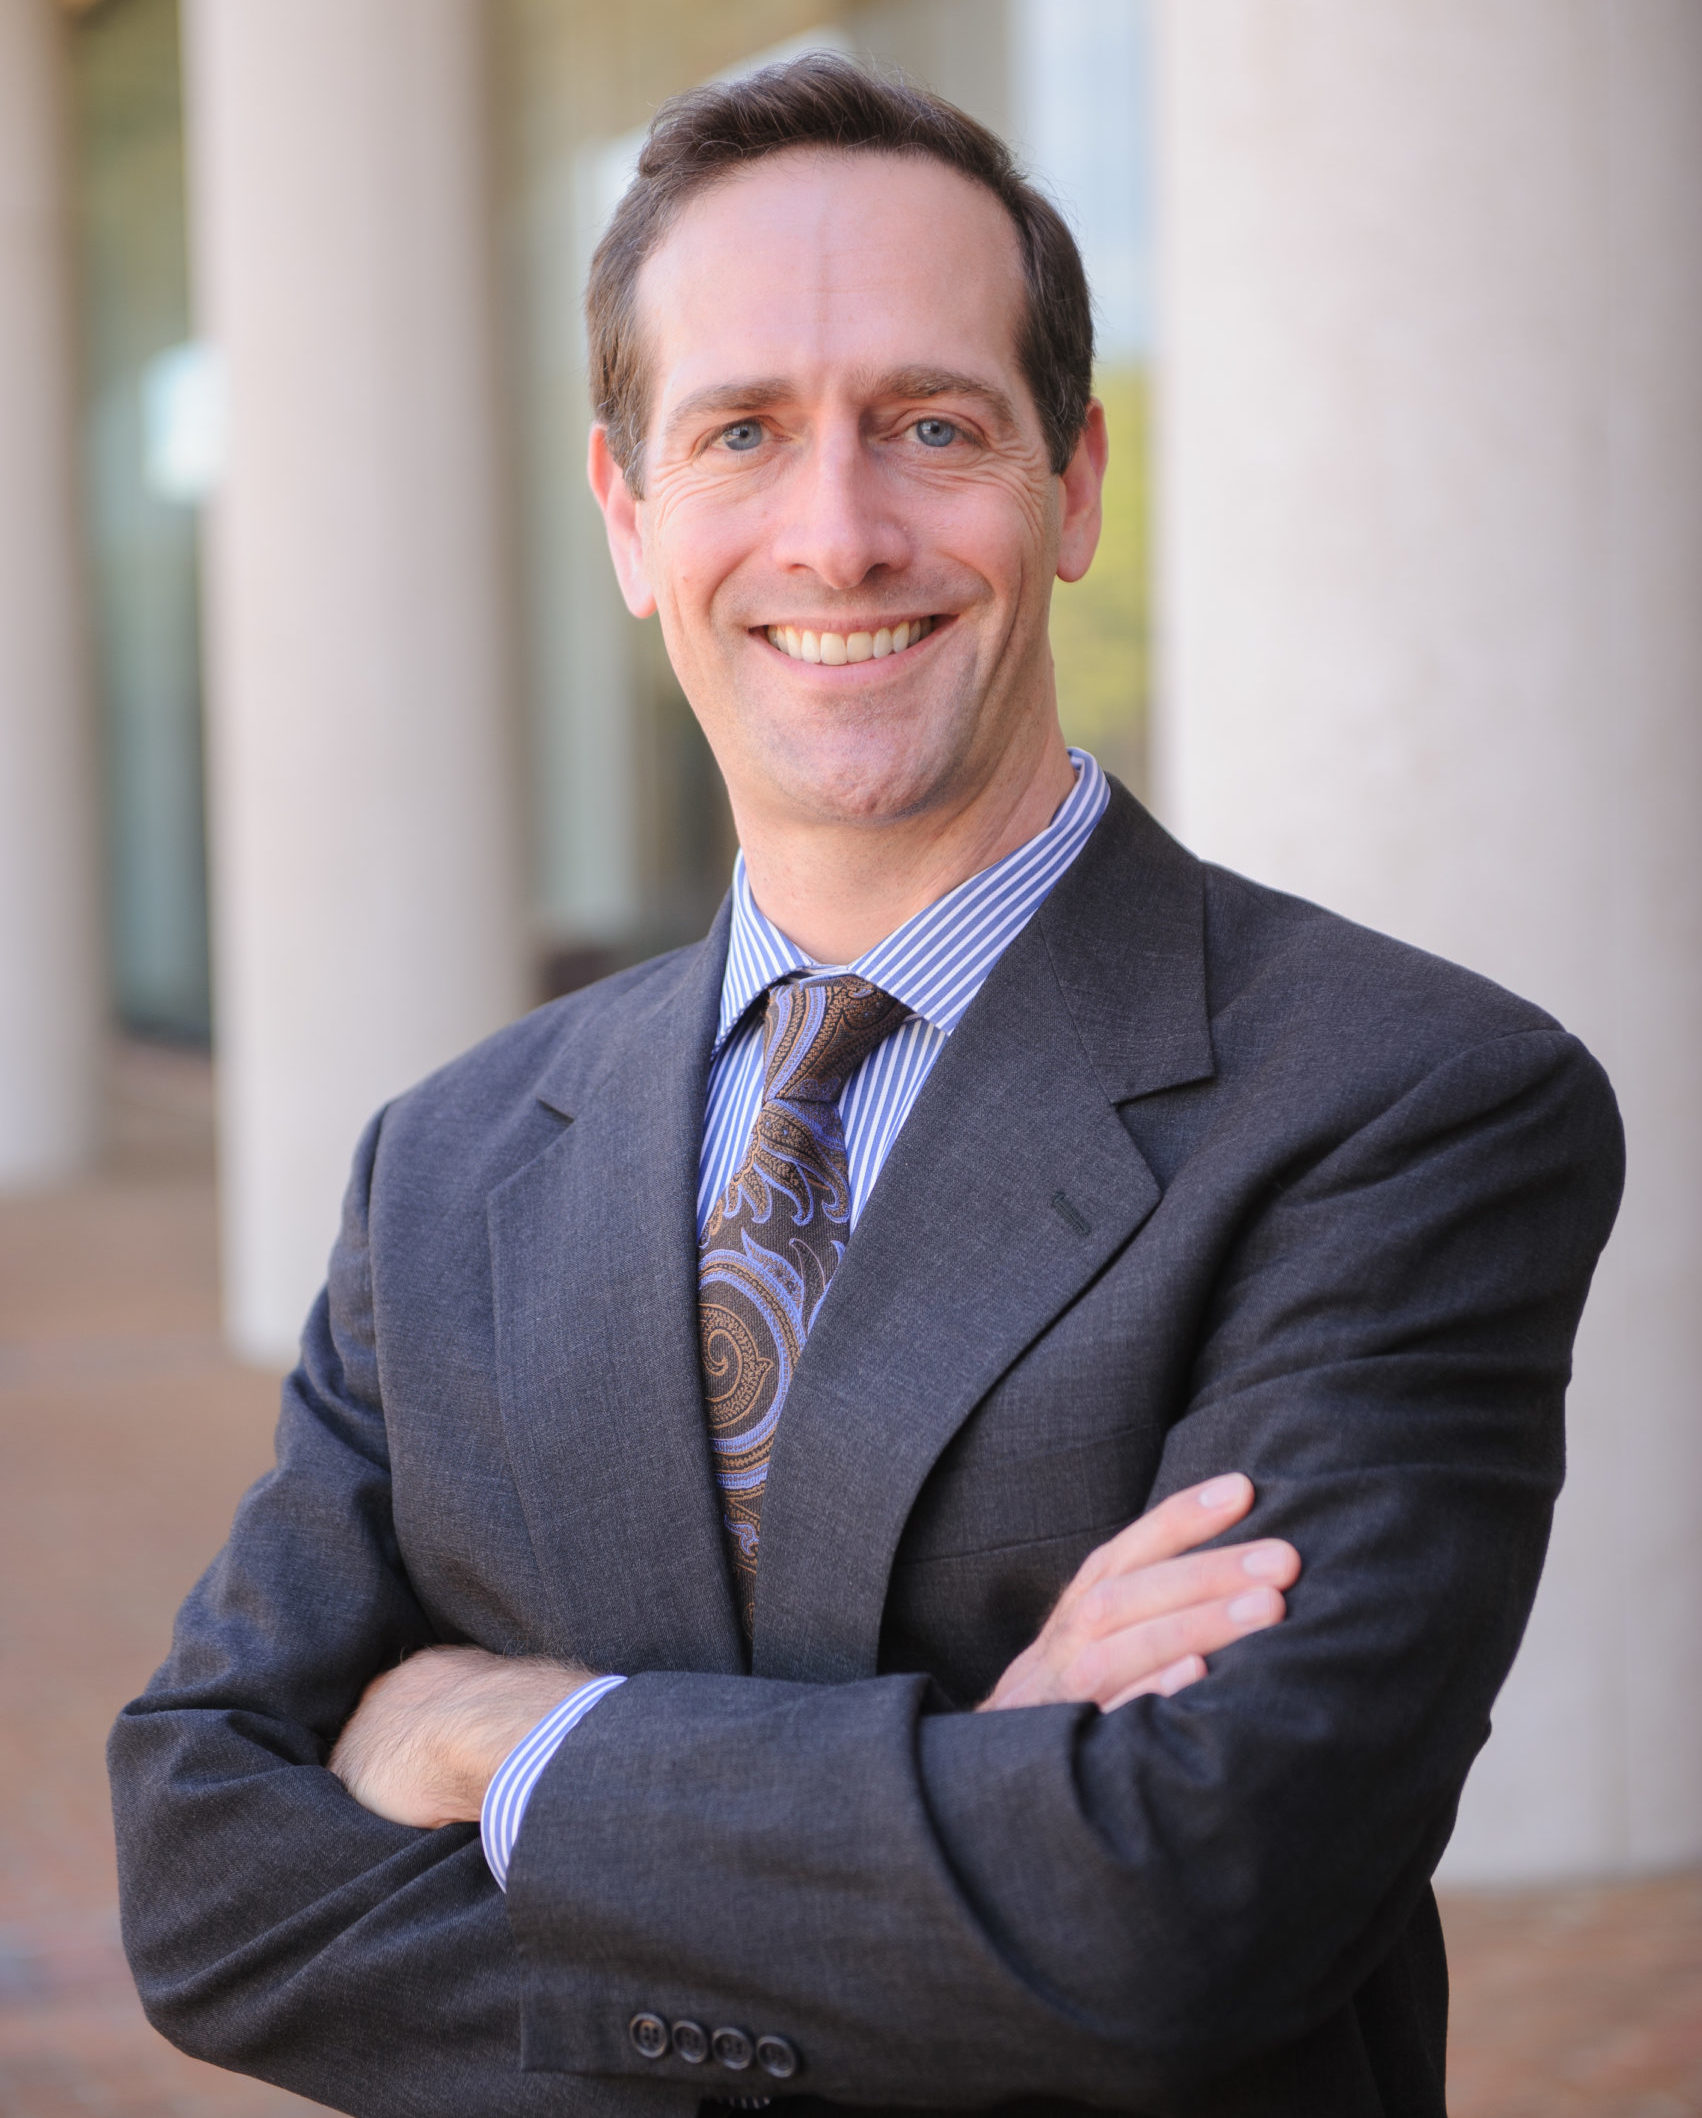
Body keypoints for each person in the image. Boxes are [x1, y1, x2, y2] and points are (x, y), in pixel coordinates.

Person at [109, 54, 1623, 2118]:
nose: (836, 533)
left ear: (1070, 485)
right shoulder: (449, 1162)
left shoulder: (1403, 1105)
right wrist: (967, 1801)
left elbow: (1181, 1910)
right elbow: (211, 1884)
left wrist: (504, 1743)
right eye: (742, 433)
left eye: (929, 425)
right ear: (630, 518)